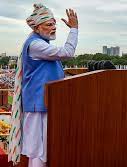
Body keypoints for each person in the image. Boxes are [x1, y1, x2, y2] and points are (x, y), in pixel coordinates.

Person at [9, 3, 78, 167]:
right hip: (38, 105)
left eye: (54, 23)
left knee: (42, 150)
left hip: (44, 104)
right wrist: (74, 29)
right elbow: (67, 53)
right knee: (39, 151)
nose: (54, 27)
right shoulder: (35, 45)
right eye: (49, 24)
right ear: (37, 27)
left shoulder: (41, 43)